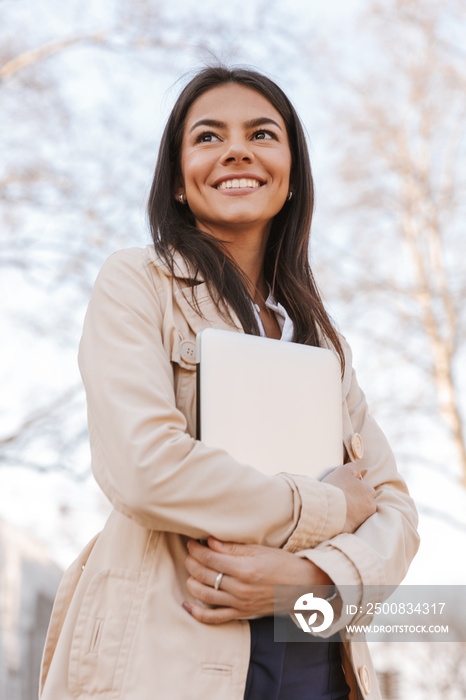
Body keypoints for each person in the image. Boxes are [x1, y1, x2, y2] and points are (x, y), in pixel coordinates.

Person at [39, 66, 419, 700]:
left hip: (316, 663)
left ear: (291, 175)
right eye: (209, 137)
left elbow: (397, 515)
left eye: (262, 134)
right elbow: (144, 465)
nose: (237, 149)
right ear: (180, 181)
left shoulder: (322, 343)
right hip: (167, 652)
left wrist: (306, 580)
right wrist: (328, 508)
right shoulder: (139, 283)